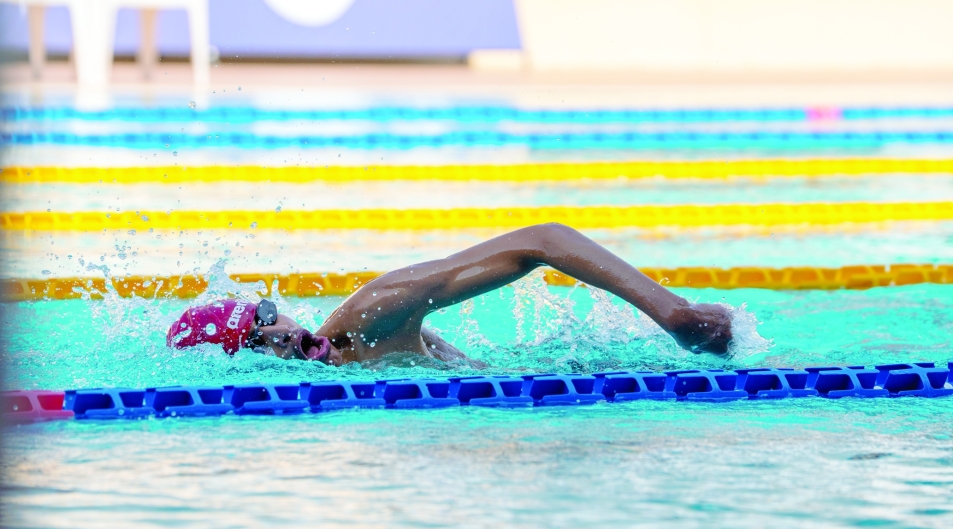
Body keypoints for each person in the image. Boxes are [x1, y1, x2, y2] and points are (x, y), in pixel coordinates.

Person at [167, 223, 733, 365]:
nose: (279, 333)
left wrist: (674, 313)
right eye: (252, 338)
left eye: (266, 314)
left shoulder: (366, 320)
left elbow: (543, 240)